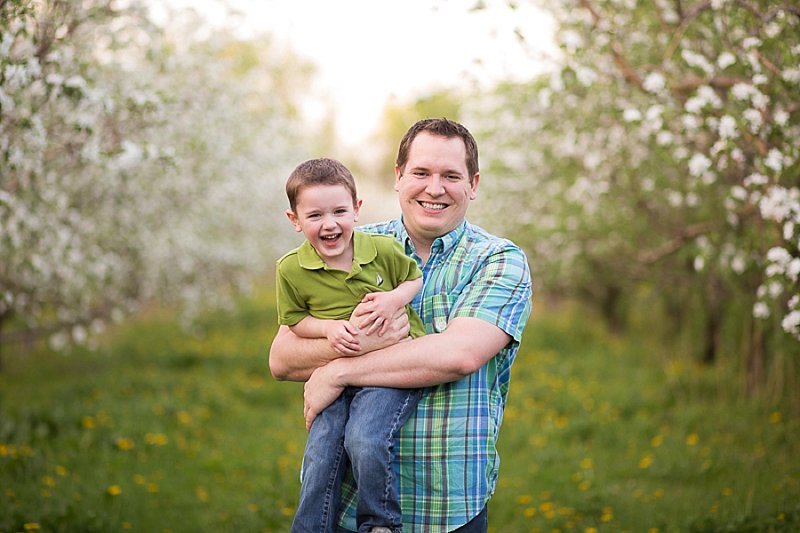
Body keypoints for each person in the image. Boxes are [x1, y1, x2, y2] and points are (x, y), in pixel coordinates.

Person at [270, 119, 533, 533]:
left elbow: (458, 355)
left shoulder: (499, 260)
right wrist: (362, 340)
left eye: (451, 176)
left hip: (449, 507)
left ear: (473, 184)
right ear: (398, 177)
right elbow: (283, 357)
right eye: (422, 173)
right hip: (349, 509)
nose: (434, 188)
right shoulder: (348, 243)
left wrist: (339, 369)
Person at [276, 158, 428, 533]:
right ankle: (311, 526)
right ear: (295, 220)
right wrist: (329, 330)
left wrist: (394, 300)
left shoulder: (382, 249)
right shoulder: (291, 270)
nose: (329, 224)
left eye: (339, 211)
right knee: (321, 448)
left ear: (356, 210)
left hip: (388, 371)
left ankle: (379, 522)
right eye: (314, 215)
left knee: (365, 438)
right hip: (335, 377)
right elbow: (294, 320)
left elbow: (413, 279)